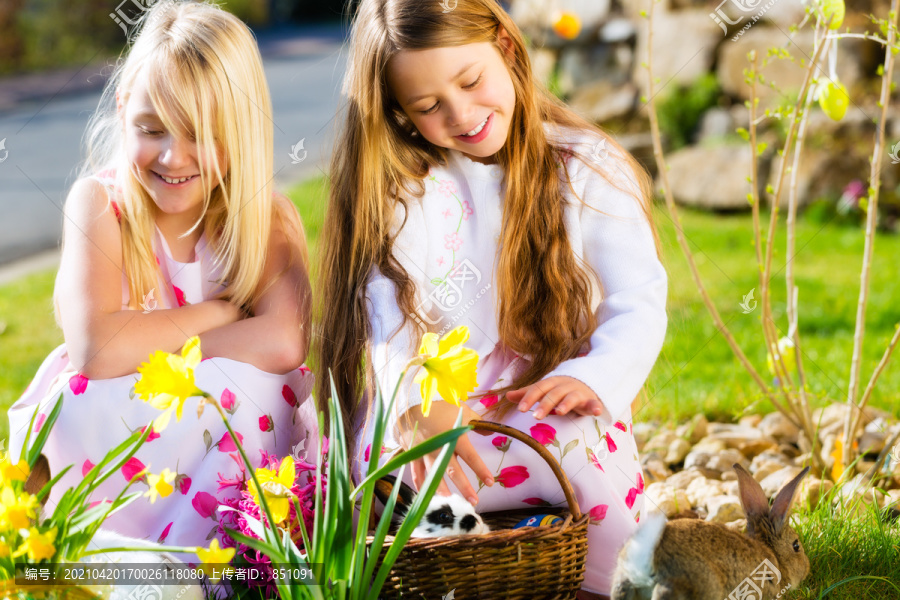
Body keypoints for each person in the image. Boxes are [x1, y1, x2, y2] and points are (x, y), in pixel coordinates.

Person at [316, 0, 668, 597]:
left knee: (577, 444)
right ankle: (460, 573)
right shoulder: (409, 190)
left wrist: (595, 376)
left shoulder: (584, 168)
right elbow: (387, 313)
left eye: (471, 80)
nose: (462, 114)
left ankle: (600, 582)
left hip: (545, 406)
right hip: (439, 412)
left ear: (506, 48)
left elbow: (638, 299)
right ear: (401, 114)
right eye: (428, 107)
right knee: (416, 478)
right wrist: (419, 398)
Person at [8, 0, 313, 555]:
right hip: (124, 425)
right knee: (97, 394)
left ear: (241, 129)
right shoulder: (101, 203)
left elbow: (286, 340)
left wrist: (155, 346)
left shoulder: (264, 217)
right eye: (152, 129)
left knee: (257, 391)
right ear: (124, 109)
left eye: (201, 134)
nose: (174, 157)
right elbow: (97, 350)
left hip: (225, 438)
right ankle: (125, 559)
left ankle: (218, 560)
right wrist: (219, 315)